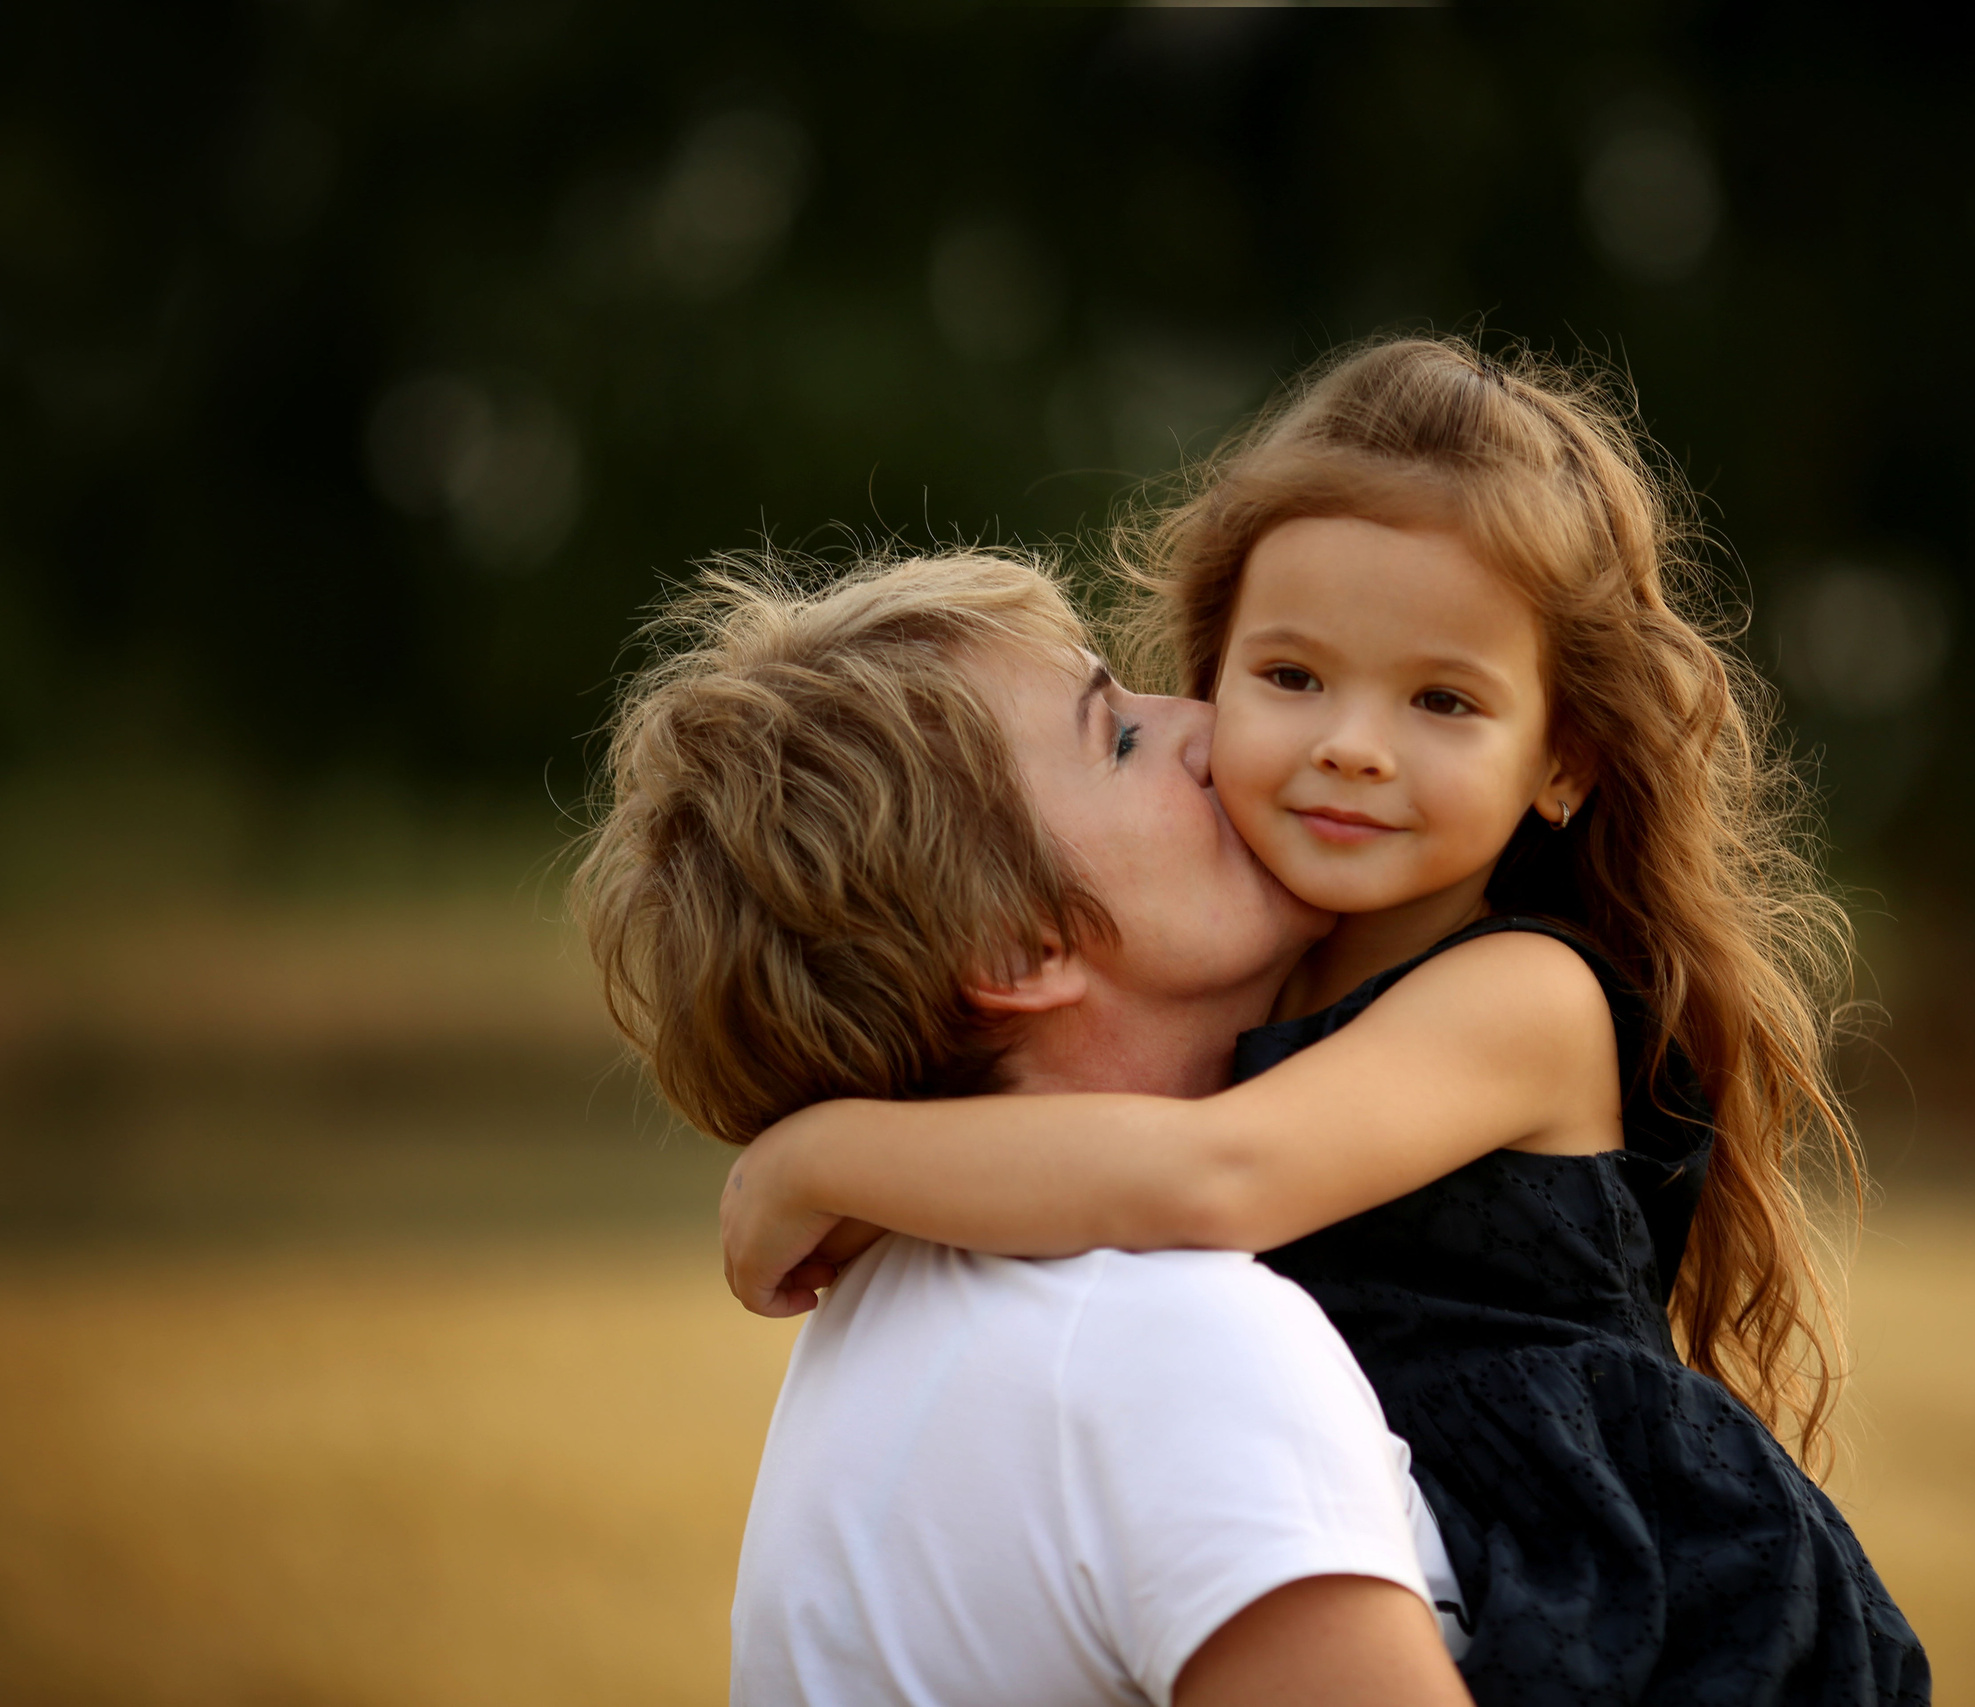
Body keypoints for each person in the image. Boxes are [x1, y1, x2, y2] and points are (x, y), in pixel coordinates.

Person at [721, 338, 1931, 1704]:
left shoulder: (1524, 994)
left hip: (1615, 1574)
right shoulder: (1249, 991)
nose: (1354, 741)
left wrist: (821, 1160)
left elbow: (1212, 1176)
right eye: (1292, 675)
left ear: (1562, 760)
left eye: (1442, 700)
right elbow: (1112, 1157)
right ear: (1217, 674)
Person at [573, 549, 1472, 1707]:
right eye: (1120, 739)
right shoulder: (1173, 1347)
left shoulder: (902, 1318)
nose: (1207, 722)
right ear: (1015, 948)